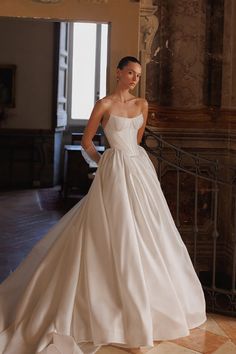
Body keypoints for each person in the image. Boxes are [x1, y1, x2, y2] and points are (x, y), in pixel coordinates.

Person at [0, 56, 206, 354]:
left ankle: (149, 306)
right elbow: (87, 141)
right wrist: (104, 163)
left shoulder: (142, 105)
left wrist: (124, 159)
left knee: (148, 228)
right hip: (114, 170)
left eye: (138, 74)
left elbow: (136, 140)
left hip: (139, 170)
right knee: (115, 231)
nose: (135, 78)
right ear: (118, 73)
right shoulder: (104, 105)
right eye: (130, 73)